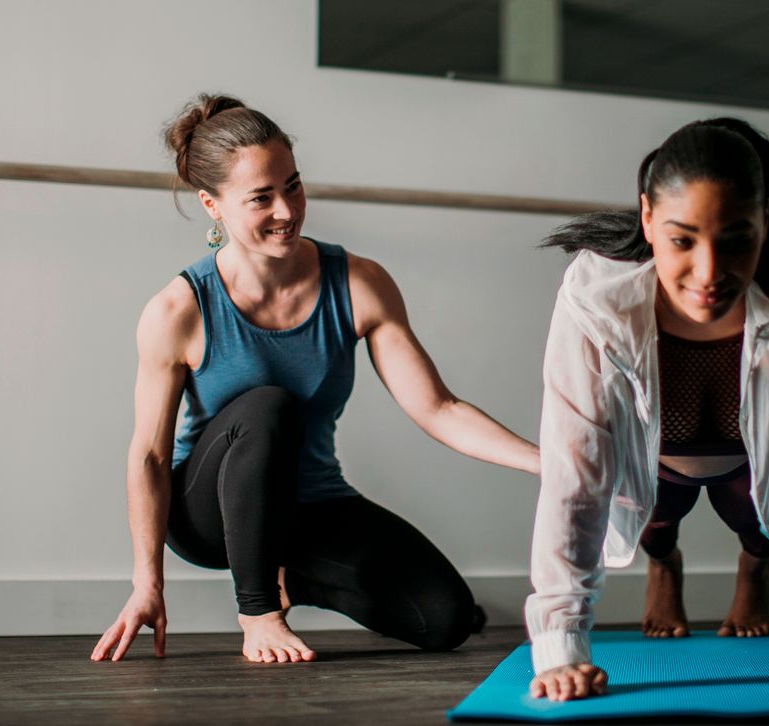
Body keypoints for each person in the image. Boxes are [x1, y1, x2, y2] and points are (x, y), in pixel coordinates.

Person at [90, 94, 539, 665]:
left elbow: (439, 408)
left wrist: (546, 462)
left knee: (446, 618)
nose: (287, 210)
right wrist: (146, 584)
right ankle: (258, 613)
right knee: (270, 407)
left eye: (293, 186)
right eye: (261, 198)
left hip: (309, 505)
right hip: (208, 516)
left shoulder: (359, 282)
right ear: (212, 205)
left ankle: (288, 580)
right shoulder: (179, 309)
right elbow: (149, 457)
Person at [525, 118, 769, 703]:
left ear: (765, 225)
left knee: (755, 524)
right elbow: (575, 474)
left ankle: (757, 567)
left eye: (735, 241)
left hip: (750, 461)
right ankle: (664, 566)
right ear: (648, 217)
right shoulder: (594, 297)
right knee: (657, 518)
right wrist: (559, 646)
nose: (708, 274)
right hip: (657, 464)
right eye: (683, 240)